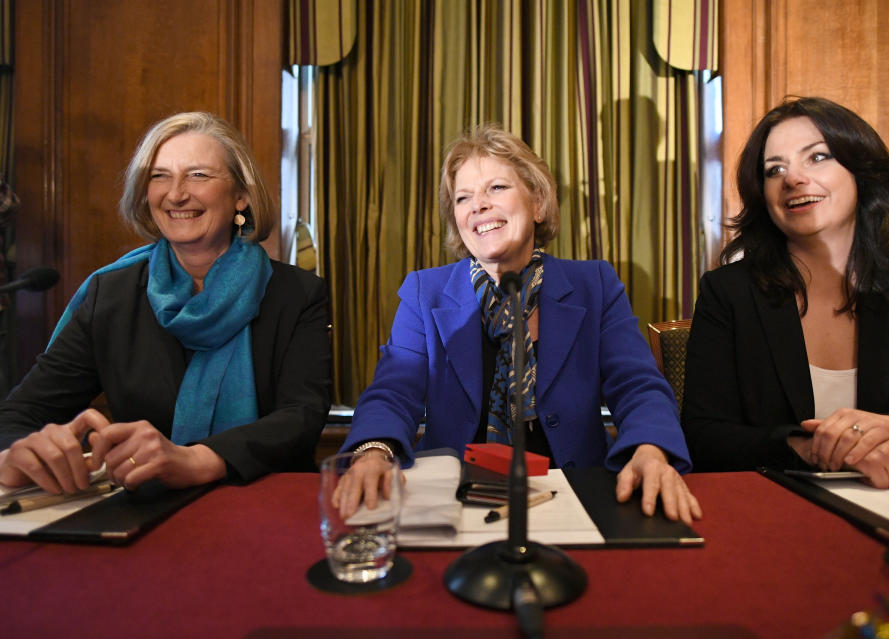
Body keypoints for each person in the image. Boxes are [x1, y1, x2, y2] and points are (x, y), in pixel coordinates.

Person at [334, 124, 701, 525]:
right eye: (462, 197)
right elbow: (393, 390)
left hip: (576, 492)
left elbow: (637, 384)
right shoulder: (426, 292)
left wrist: (649, 448)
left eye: (496, 188)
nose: (478, 205)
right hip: (450, 500)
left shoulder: (594, 284)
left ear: (538, 202)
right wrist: (373, 451)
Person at [0, 112, 332, 494]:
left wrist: (194, 459)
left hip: (265, 501)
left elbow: (301, 417)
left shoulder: (297, 292)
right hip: (143, 508)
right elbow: (20, 415)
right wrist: (19, 452)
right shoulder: (109, 295)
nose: (175, 194)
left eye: (198, 175)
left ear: (241, 194)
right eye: (159, 176)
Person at [682, 96, 889, 487]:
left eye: (817, 157)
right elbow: (703, 435)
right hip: (779, 511)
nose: (792, 179)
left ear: (860, 170)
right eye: (774, 169)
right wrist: (811, 447)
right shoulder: (728, 293)